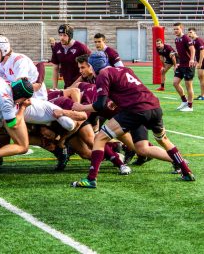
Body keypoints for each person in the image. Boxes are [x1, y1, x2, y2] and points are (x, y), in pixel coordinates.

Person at [71, 51, 195, 188]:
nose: (82, 70)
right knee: (158, 142)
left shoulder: (103, 75)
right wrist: (116, 102)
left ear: (92, 65)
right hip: (154, 107)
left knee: (100, 138)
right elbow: (133, 89)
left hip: (135, 110)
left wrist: (81, 107)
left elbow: (100, 106)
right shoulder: (125, 69)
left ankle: (91, 179)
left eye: (85, 66)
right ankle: (186, 170)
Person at [50, 24, 91, 89]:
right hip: (67, 85)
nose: (62, 38)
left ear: (70, 36)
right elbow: (55, 68)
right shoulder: (57, 47)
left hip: (82, 85)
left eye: (64, 35)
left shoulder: (81, 47)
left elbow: (91, 65)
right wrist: (54, 87)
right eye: (60, 35)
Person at [173, 23, 196, 111]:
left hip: (188, 65)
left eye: (177, 29)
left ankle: (190, 107)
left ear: (181, 28)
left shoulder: (186, 38)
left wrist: (192, 59)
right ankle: (184, 101)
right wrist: (177, 63)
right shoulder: (176, 39)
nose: (175, 31)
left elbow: (192, 49)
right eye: (174, 29)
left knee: (188, 86)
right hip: (181, 65)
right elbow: (179, 53)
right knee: (175, 83)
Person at [187, 28, 204, 100]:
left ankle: (202, 95)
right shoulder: (193, 41)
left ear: (195, 33)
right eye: (188, 33)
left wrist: (200, 62)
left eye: (191, 32)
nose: (189, 34)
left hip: (203, 61)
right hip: (200, 61)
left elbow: (202, 52)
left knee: (201, 78)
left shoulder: (198, 40)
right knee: (201, 78)